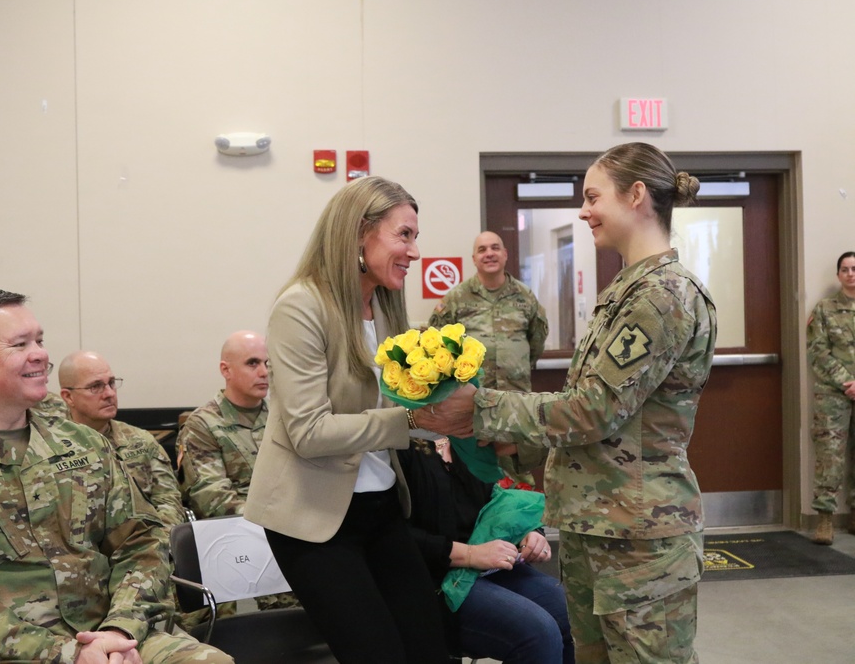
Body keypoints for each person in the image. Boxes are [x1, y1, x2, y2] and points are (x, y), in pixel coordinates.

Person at [0, 290, 230, 664]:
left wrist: (121, 628)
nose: (40, 353)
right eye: (20, 344)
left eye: (39, 340)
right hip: (7, 652)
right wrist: (66, 654)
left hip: (113, 633)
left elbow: (142, 542)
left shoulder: (84, 445)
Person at [472, 143, 717, 663]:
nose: (583, 211)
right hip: (599, 526)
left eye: (591, 196)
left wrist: (481, 407)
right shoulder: (626, 290)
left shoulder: (660, 295)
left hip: (640, 537)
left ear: (636, 195)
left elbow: (592, 410)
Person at [243, 176, 475, 664]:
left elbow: (406, 404)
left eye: (415, 236)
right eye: (404, 235)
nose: (415, 251)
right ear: (357, 234)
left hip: (381, 504)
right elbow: (309, 433)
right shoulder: (301, 306)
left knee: (430, 650)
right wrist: (412, 422)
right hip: (312, 518)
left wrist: (458, 410)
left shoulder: (388, 306)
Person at [397, 435, 574, 664]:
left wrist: (527, 532)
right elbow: (392, 536)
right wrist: (470, 554)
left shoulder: (468, 444)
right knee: (538, 632)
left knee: (572, 615)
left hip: (484, 568)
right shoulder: (399, 450)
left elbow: (494, 502)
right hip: (434, 580)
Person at [178, 330, 297, 611]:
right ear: (225, 370)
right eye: (252, 363)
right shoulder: (203, 424)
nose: (264, 372)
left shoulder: (283, 416)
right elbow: (211, 496)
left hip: (293, 532)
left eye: (268, 364)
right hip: (239, 540)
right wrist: (279, 523)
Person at [429, 231, 549, 483]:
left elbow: (536, 341)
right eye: (482, 250)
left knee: (517, 475)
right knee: (472, 477)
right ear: (474, 258)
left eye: (495, 248)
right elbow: (437, 348)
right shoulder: (457, 298)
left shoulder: (525, 297)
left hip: (517, 402)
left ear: (505, 255)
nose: (489, 253)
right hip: (472, 405)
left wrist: (516, 368)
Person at [59, 350, 185, 529]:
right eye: (95, 386)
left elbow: (168, 499)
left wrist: (159, 542)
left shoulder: (140, 441)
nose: (109, 393)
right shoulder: (50, 448)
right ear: (68, 397)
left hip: (146, 546)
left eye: (111, 383)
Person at [807, 251, 855, 545]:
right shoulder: (825, 309)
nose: (851, 274)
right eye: (845, 269)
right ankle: (825, 519)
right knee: (830, 457)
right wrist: (847, 383)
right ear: (838, 275)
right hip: (833, 394)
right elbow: (817, 352)